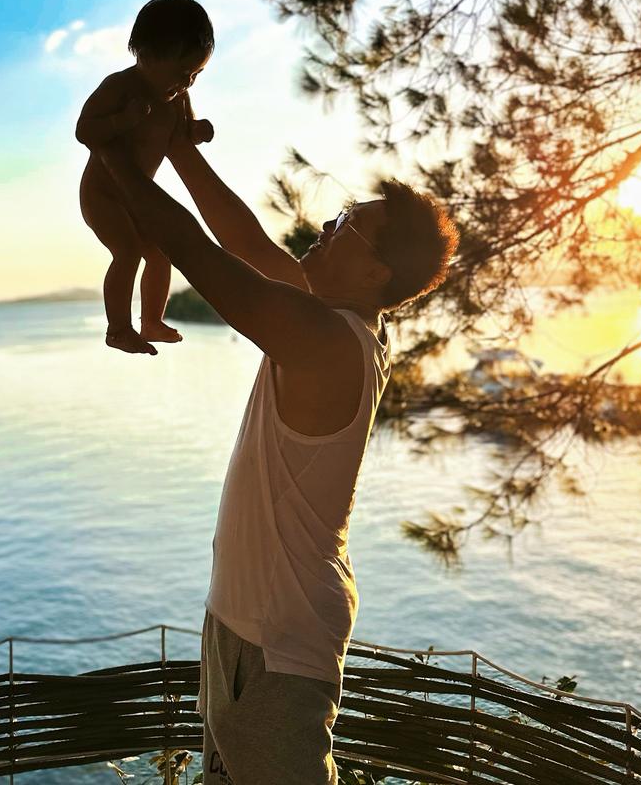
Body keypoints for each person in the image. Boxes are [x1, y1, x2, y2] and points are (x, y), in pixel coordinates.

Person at [80, 108, 459, 784]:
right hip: (240, 620)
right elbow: (243, 239)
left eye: (346, 225)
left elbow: (201, 255)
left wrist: (113, 156)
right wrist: (178, 152)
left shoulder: (328, 343)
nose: (325, 225)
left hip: (280, 643)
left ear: (375, 274)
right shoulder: (336, 322)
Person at [75, 0, 215, 355]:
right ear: (147, 54)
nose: (187, 84)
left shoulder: (177, 99)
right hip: (102, 194)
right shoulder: (120, 87)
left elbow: (184, 131)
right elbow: (84, 131)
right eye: (182, 73)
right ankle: (118, 329)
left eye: (196, 74)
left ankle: (151, 321)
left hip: (137, 199)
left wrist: (197, 130)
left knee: (160, 254)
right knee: (127, 252)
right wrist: (124, 120)